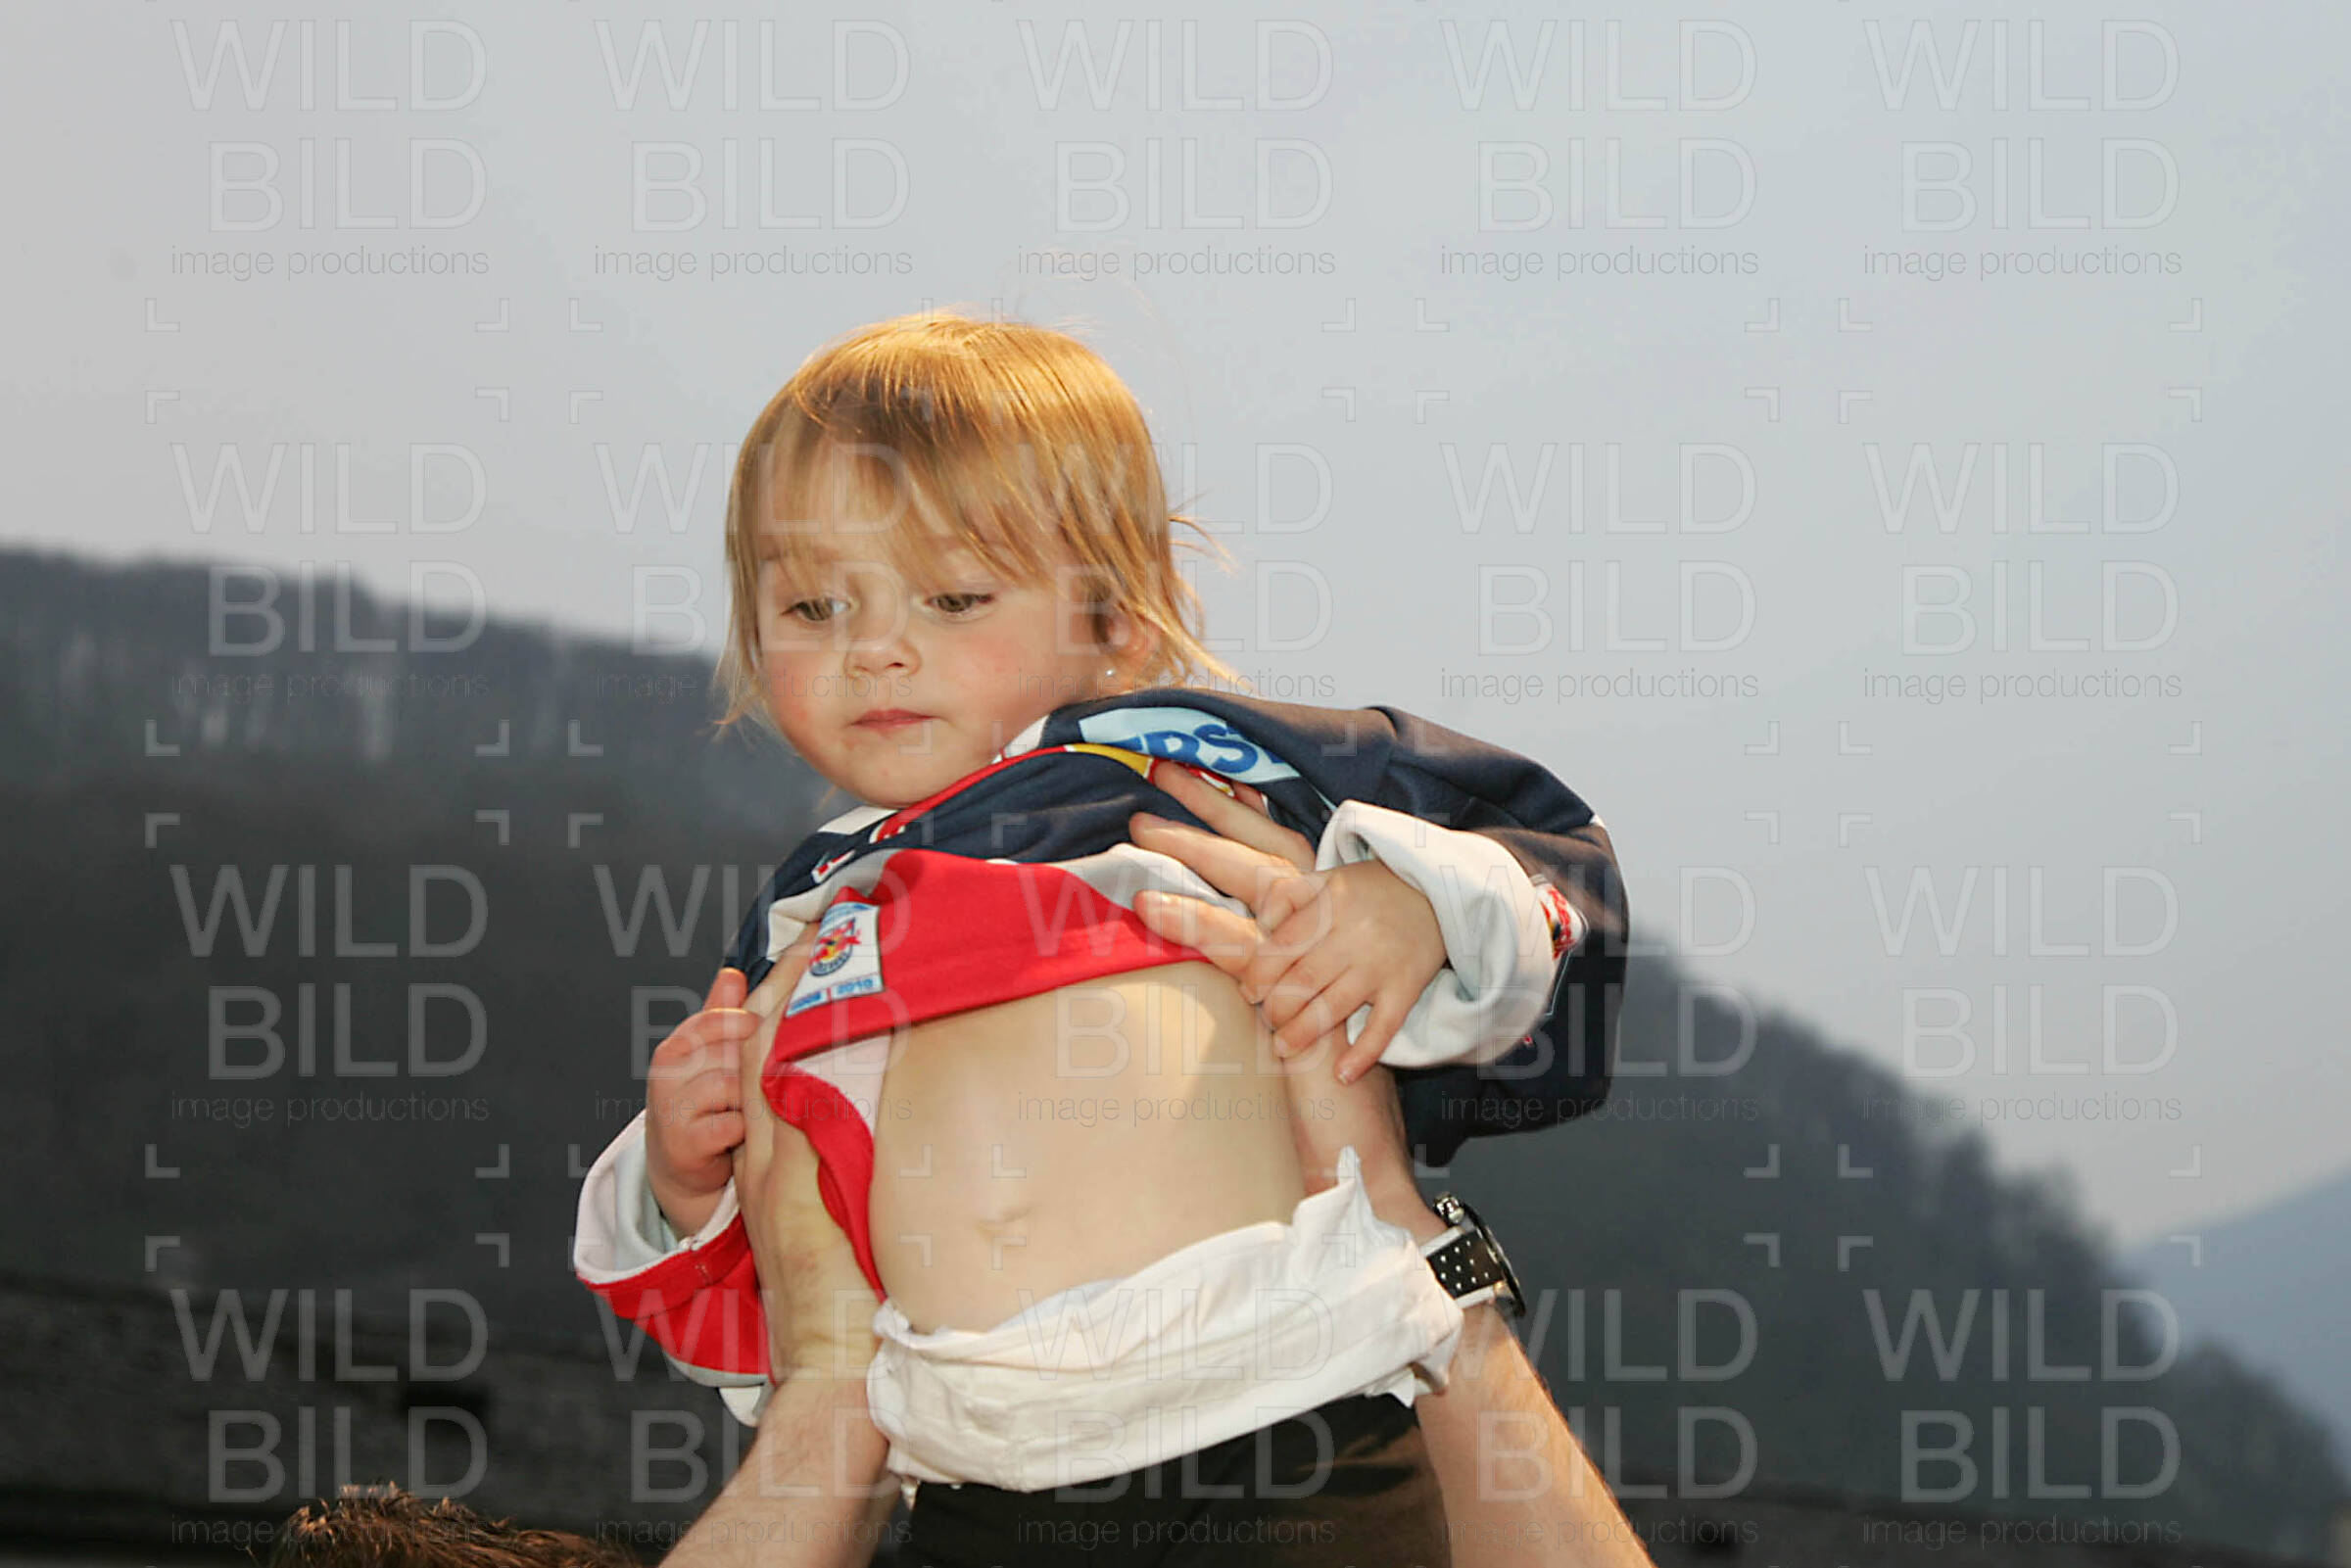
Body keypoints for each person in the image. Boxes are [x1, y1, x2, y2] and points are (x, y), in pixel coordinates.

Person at [571, 310, 1633, 1561]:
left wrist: (1410, 908)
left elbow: (1557, 869)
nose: (875, 649)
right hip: (988, 1464)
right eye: (812, 604)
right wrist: (683, 1180)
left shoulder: (1205, 768)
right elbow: (785, 1295)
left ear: (1117, 620)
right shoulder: (812, 907)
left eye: (953, 596)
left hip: (1291, 1400)